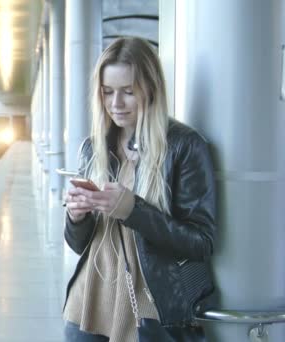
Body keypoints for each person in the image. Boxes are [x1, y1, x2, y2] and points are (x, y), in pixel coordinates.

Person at [62, 37, 216, 341]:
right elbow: (79, 244)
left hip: (147, 311)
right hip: (87, 303)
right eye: (107, 93)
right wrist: (77, 218)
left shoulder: (184, 146)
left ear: (151, 89)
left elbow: (201, 241)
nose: (115, 104)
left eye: (128, 92)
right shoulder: (93, 148)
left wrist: (134, 210)